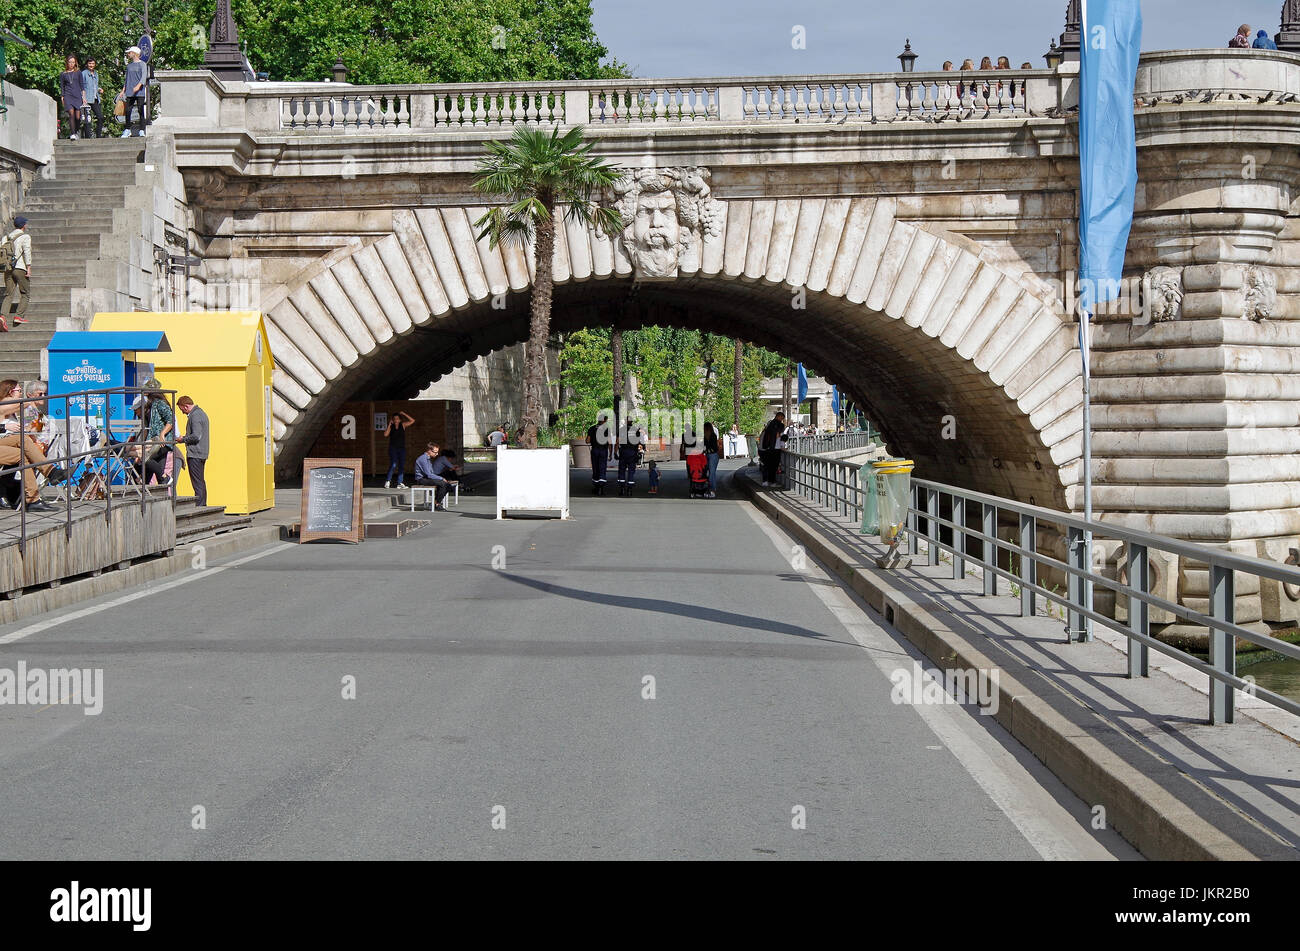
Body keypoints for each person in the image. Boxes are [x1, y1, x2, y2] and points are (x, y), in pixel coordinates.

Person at [177, 396, 209, 506]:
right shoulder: (201, 413)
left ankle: (200, 506)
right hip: (201, 453)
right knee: (200, 481)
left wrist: (183, 439)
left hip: (195, 453)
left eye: (182, 409)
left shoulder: (195, 416)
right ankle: (202, 504)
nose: (182, 412)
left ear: (186, 406)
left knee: (197, 482)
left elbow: (196, 436)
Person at [1, 216, 32, 328]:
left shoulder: (6, 238)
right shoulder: (25, 237)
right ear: (23, 225)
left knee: (9, 294)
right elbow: (27, 252)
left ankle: (3, 316)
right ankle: (19, 316)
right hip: (20, 268)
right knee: (25, 293)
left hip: (8, 269)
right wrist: (28, 267)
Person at [413, 442, 458, 510]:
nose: (437, 454)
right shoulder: (423, 459)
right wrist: (441, 478)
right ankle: (437, 504)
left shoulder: (428, 458)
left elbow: (431, 473)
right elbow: (429, 474)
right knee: (443, 483)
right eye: (435, 452)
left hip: (427, 478)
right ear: (429, 450)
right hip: (421, 479)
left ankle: (436, 502)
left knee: (448, 485)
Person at [383, 410, 414, 489]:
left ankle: (400, 483)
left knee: (401, 465)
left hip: (401, 449)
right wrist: (389, 424)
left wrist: (404, 413)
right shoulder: (391, 426)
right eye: (394, 419)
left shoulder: (403, 425)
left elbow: (412, 420)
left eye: (397, 418)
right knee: (393, 464)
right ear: (393, 420)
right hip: (393, 448)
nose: (396, 420)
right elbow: (385, 434)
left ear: (400, 419)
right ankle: (388, 481)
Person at [122, 46, 148, 138]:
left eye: (129, 52)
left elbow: (143, 77)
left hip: (139, 92)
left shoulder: (142, 64)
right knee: (128, 110)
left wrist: (138, 86)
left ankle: (141, 130)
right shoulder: (129, 66)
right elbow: (127, 79)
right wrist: (123, 90)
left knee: (141, 110)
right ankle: (127, 129)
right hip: (130, 92)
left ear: (134, 53)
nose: (128, 54)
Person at [59, 56, 85, 141]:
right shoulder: (63, 74)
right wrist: (62, 97)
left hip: (77, 96)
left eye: (73, 62)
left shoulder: (78, 72)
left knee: (78, 117)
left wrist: (84, 97)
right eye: (70, 62)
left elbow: (82, 86)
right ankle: (73, 133)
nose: (71, 64)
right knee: (71, 113)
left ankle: (76, 131)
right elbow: (62, 86)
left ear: (75, 63)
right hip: (68, 95)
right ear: (67, 63)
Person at [586, 411, 612, 495]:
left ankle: (596, 487)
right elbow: (610, 442)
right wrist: (611, 453)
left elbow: (587, 440)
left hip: (595, 450)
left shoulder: (592, 428)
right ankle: (601, 488)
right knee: (602, 468)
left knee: (595, 468)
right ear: (604, 421)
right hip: (603, 451)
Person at [616, 421, 645, 496]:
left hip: (623, 452)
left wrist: (615, 452)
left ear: (625, 422)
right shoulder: (636, 430)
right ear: (632, 422)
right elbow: (640, 444)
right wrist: (639, 451)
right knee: (631, 471)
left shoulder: (621, 429)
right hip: (632, 453)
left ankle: (621, 489)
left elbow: (617, 442)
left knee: (622, 470)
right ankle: (629, 489)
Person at [758, 411, 785, 487]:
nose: (782, 420)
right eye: (782, 418)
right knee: (774, 466)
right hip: (775, 449)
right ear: (779, 417)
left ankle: (765, 481)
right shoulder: (780, 425)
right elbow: (780, 437)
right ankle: (772, 482)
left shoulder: (768, 425)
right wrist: (783, 447)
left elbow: (762, 437)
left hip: (765, 448)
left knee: (766, 465)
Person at [81, 58, 104, 138]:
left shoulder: (96, 74)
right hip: (86, 98)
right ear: (87, 64)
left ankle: (98, 135)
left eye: (93, 64)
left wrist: (99, 89)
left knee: (100, 117)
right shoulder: (83, 73)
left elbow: (94, 86)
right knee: (87, 119)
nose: (91, 65)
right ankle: (88, 137)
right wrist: (83, 98)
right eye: (90, 63)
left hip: (95, 98)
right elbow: (82, 86)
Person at [703, 420, 720, 497]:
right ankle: (709, 488)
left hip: (713, 455)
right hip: (709, 455)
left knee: (711, 473)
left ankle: (712, 489)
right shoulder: (705, 437)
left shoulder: (713, 436)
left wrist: (706, 450)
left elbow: (714, 448)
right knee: (707, 472)